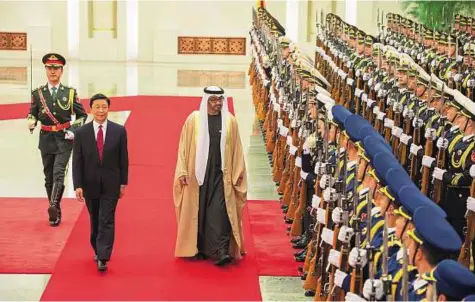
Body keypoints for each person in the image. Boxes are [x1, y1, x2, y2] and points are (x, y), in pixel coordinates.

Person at [173, 86, 248, 266]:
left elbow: (237, 150)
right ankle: (198, 248)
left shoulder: (230, 121)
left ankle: (221, 250)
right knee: (198, 211)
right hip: (197, 174)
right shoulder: (194, 120)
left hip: (222, 175)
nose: (217, 104)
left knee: (220, 211)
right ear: (205, 101)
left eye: (220, 100)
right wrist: (182, 170)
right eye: (213, 100)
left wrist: (238, 173)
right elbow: (183, 147)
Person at [27, 53, 87, 226]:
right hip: (45, 138)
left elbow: (82, 115)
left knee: (58, 173)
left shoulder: (69, 93)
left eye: (56, 68)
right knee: (48, 177)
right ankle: (56, 208)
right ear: (45, 70)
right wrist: (31, 120)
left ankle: (53, 206)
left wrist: (73, 130)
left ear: (61, 71)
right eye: (49, 68)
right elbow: (33, 112)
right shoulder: (38, 93)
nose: (53, 72)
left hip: (64, 138)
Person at [72, 93, 129, 271]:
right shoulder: (81, 133)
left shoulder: (119, 131)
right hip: (90, 184)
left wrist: (123, 183)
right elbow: (77, 161)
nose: (101, 111)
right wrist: (78, 185)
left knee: (107, 219)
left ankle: (103, 256)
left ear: (108, 108)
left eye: (104, 107)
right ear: (91, 109)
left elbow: (123, 159)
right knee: (95, 218)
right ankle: (97, 247)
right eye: (97, 107)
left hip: (111, 184)